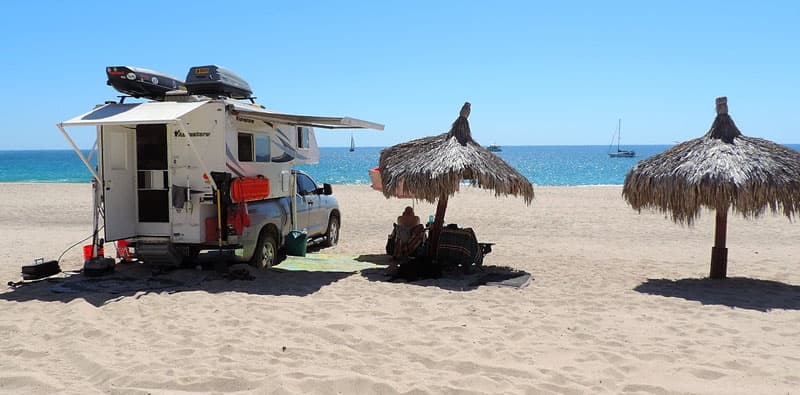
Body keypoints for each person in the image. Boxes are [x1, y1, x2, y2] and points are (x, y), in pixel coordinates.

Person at [386, 206, 425, 275]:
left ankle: (400, 252)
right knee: (421, 229)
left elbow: (399, 223)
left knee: (398, 230)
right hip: (412, 245)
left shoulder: (400, 219)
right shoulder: (416, 218)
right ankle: (406, 251)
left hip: (400, 243)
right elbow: (417, 223)